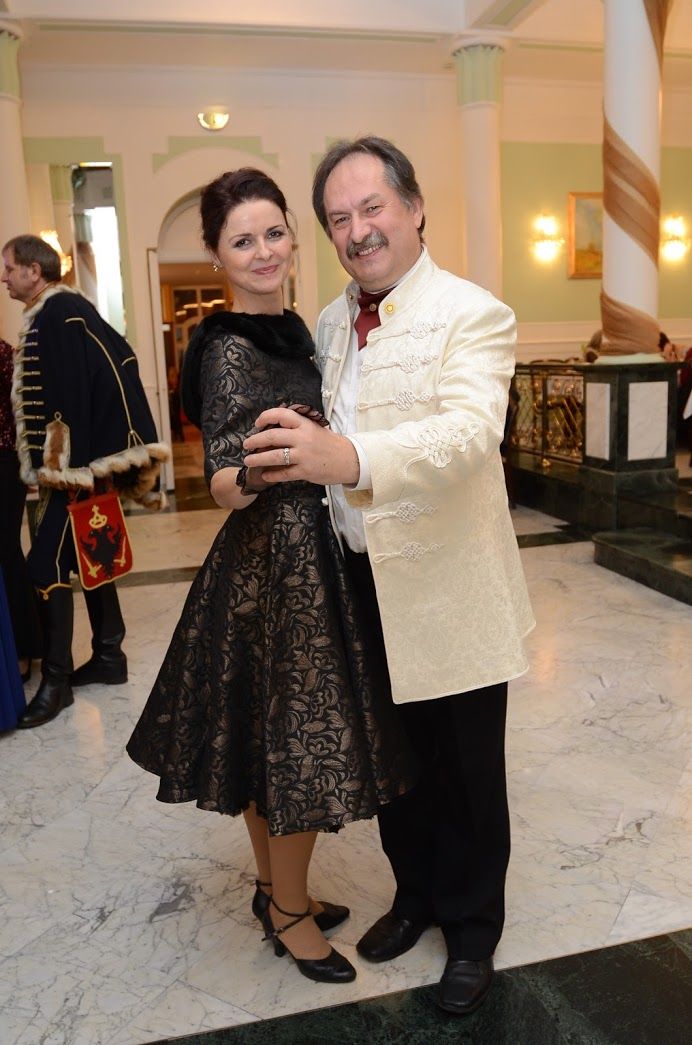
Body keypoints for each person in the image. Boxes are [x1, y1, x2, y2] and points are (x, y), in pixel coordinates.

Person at [242, 137, 535, 1015]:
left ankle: (472, 931)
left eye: (373, 208)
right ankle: (416, 897)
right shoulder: (331, 322)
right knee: (395, 763)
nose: (359, 230)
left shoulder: (473, 312)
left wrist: (351, 457)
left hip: (453, 586)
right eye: (340, 218)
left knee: (468, 770)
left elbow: (469, 434)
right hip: (359, 584)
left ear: (414, 207)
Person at [126, 168, 416, 985]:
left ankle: (273, 890)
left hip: (308, 553)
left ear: (293, 235)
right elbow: (222, 478)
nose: (263, 252)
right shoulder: (227, 346)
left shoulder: (298, 328)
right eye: (242, 240)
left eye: (274, 233)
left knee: (269, 741)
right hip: (275, 565)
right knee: (299, 748)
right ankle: (290, 912)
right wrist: (267, 465)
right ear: (217, 255)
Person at [1, 234, 169, 729]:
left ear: (34, 270)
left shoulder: (59, 312)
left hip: (72, 472)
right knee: (91, 556)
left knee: (44, 567)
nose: (4, 277)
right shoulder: (61, 310)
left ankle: (56, 683)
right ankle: (110, 655)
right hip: (75, 467)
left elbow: (77, 390)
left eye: (9, 267)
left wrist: (70, 466)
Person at [0, 333, 41, 683]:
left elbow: (23, 414)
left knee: (6, 552)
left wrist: (29, 466)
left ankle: (25, 648)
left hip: (4, 463)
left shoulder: (3, 354)